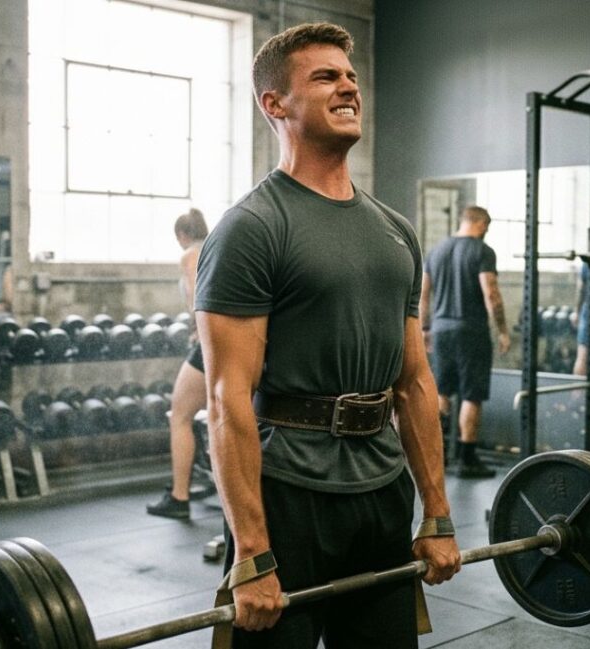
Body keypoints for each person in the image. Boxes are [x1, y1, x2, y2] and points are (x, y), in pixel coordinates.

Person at [194, 22, 459, 648]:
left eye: (351, 76)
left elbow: (415, 383)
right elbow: (226, 400)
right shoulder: (252, 228)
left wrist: (438, 514)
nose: (347, 86)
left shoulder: (395, 230)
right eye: (325, 77)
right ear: (274, 104)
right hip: (288, 496)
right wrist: (252, 555)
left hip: (380, 487)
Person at [421, 206, 508, 479]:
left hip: (441, 330)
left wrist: (425, 328)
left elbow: (423, 294)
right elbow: (491, 293)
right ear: (481, 224)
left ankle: (439, 455)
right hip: (471, 331)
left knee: (442, 392)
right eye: (487, 227)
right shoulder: (482, 251)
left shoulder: (436, 251)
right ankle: (467, 459)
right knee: (472, 395)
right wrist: (503, 330)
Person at [147, 208, 210, 519]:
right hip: (224, 343)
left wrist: (198, 330)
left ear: (182, 235)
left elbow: (199, 295)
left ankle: (179, 496)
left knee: (180, 415)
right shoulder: (216, 248)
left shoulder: (189, 255)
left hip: (208, 344)